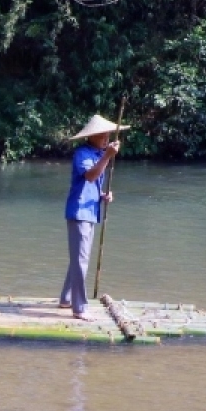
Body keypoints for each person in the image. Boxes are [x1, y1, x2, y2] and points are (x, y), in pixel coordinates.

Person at [60, 114, 127, 321]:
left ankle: (66, 298)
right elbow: (89, 175)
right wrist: (107, 156)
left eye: (108, 135)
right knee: (81, 260)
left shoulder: (98, 154)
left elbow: (92, 185)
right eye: (102, 135)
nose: (106, 138)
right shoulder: (83, 153)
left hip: (90, 211)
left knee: (79, 259)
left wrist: (103, 196)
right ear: (92, 136)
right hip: (79, 212)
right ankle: (79, 308)